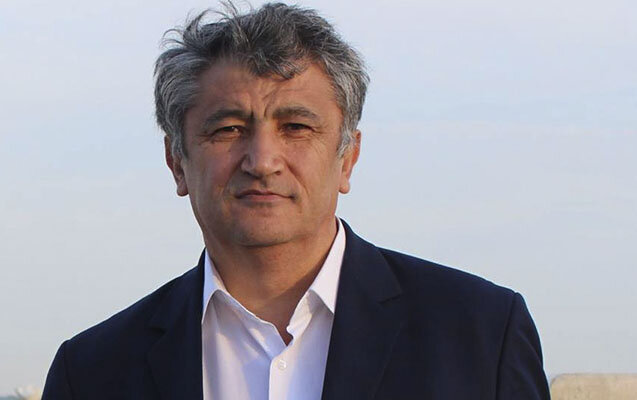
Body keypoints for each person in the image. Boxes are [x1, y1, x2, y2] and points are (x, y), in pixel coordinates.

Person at [42, 3, 550, 399]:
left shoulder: (482, 336)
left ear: (347, 157)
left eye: (296, 127)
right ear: (177, 161)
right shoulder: (91, 373)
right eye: (228, 129)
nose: (262, 160)